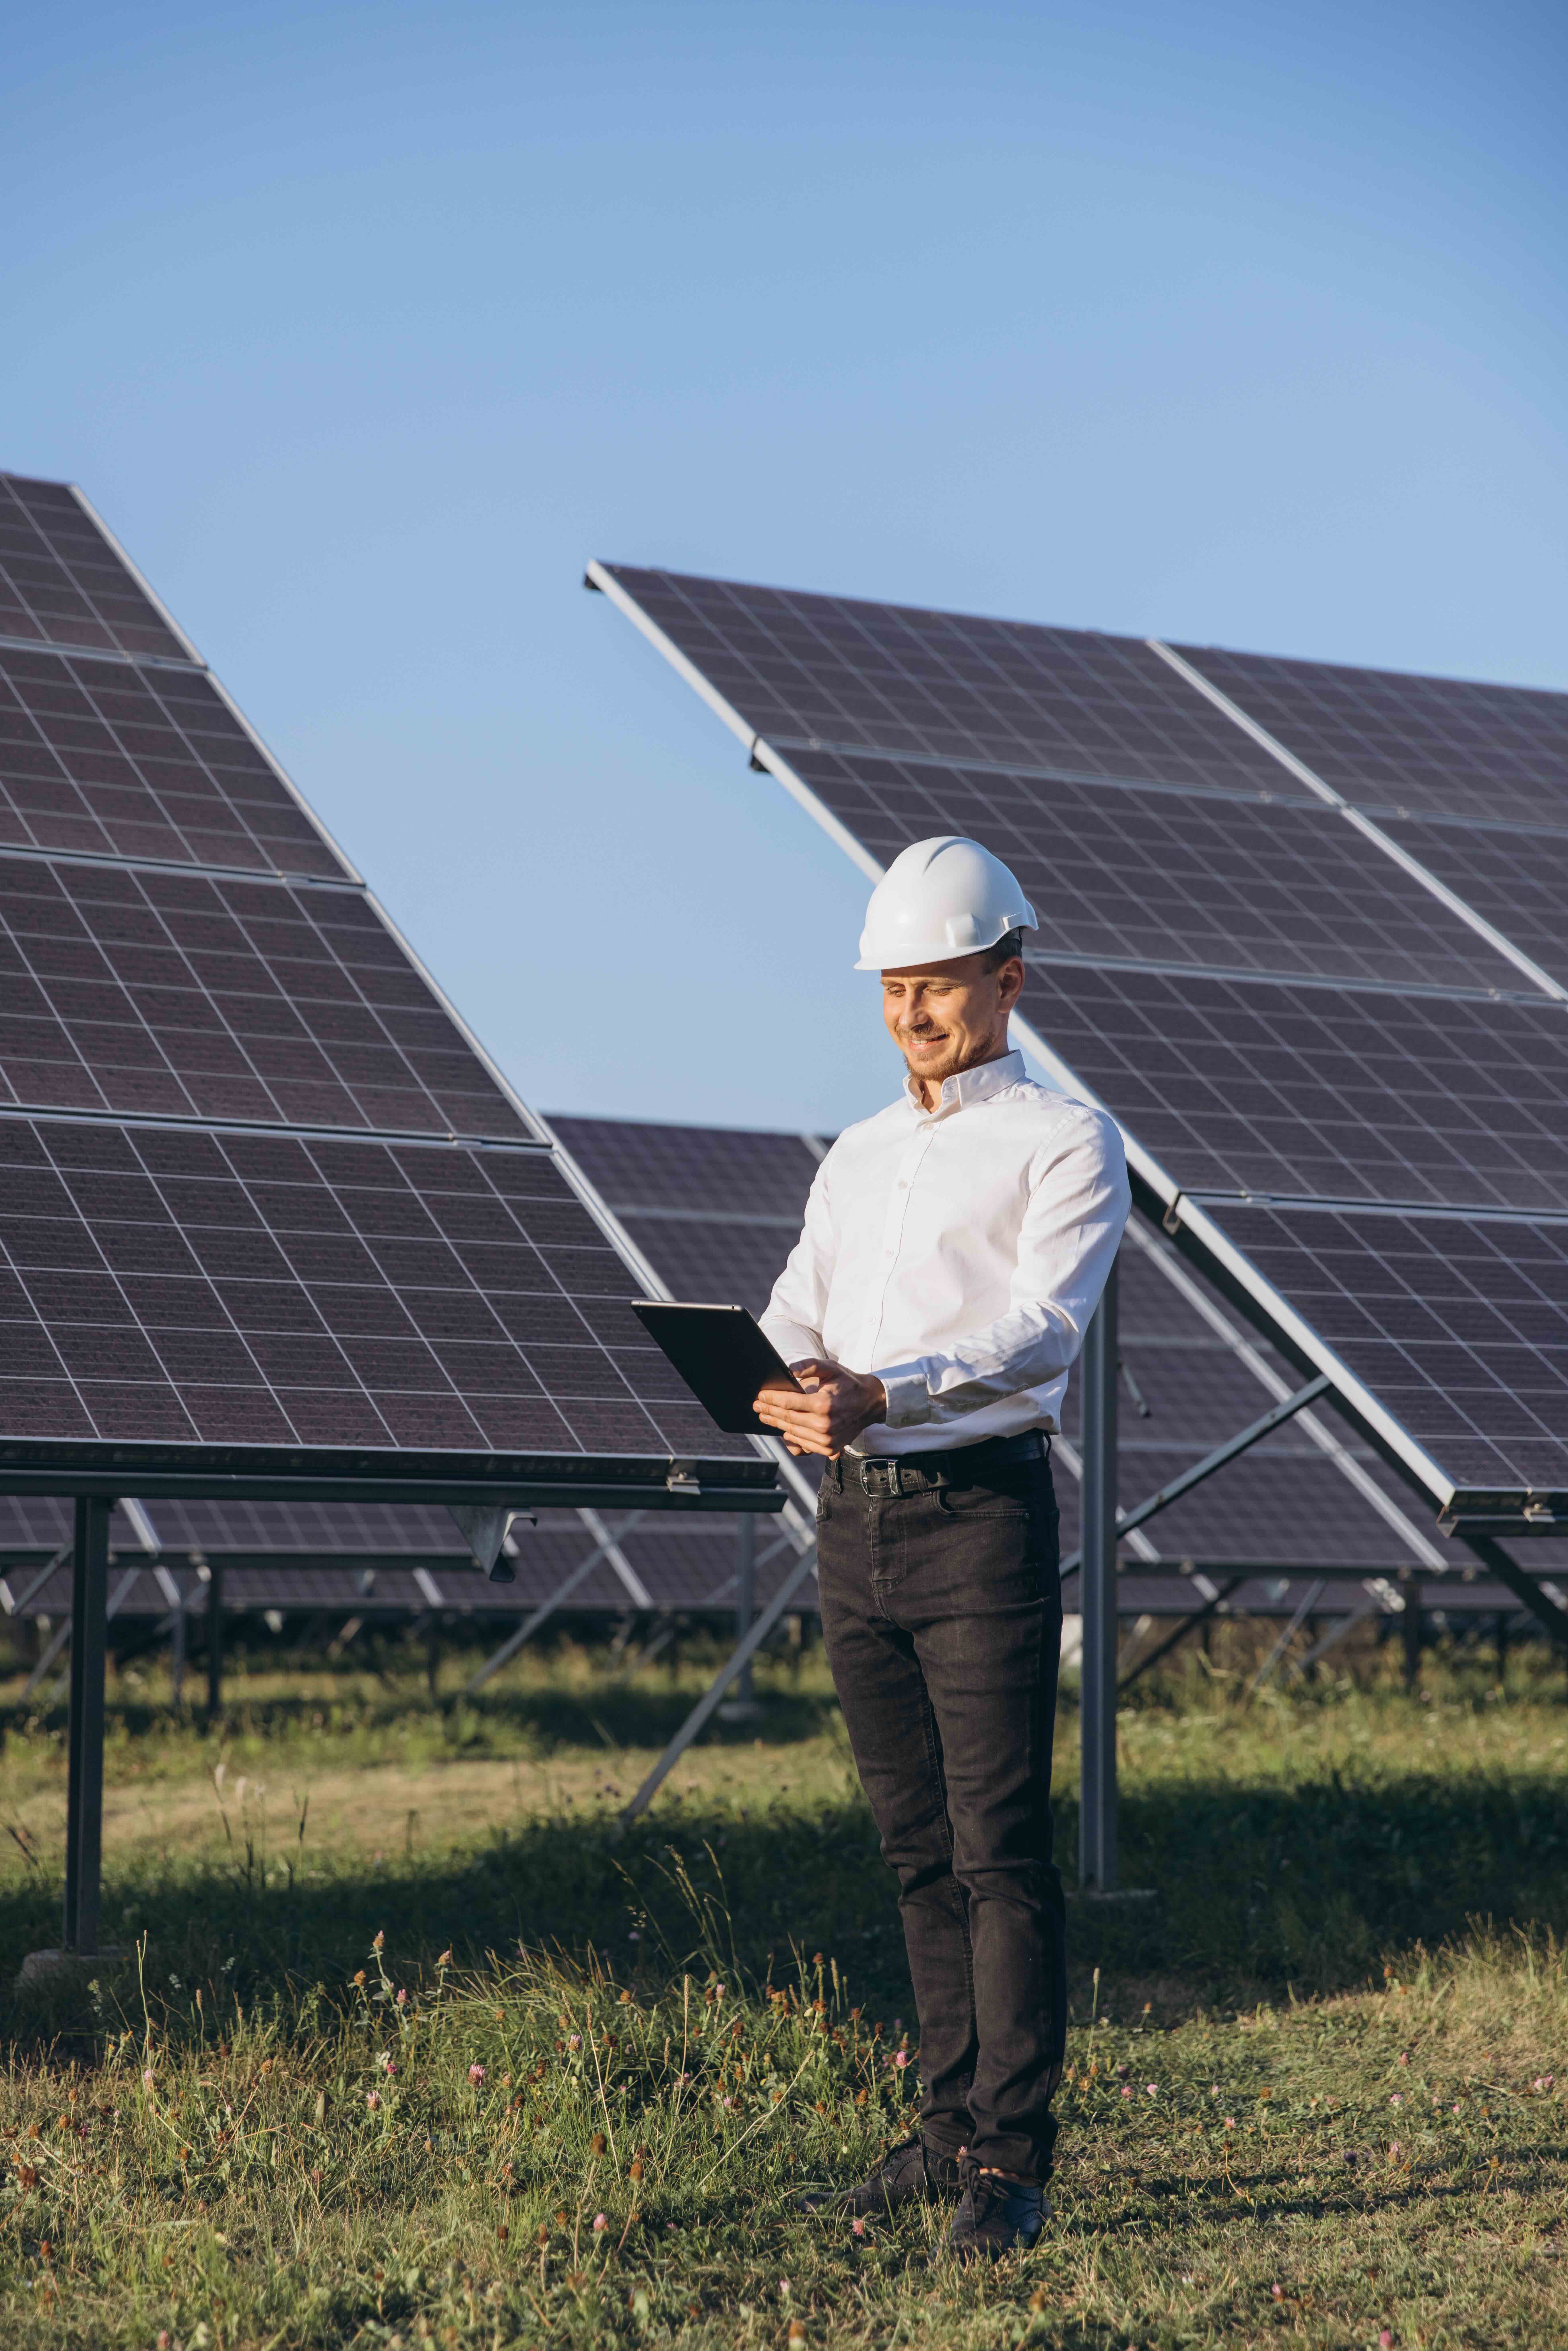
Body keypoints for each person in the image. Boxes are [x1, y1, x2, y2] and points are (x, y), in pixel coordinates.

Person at [753, 835, 1129, 2262]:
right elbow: (800, 1303)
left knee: (998, 1850)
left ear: (1008, 979)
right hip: (856, 1525)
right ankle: (942, 2125)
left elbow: (1043, 1325)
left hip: (977, 1515)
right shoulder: (854, 1154)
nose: (916, 1012)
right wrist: (782, 1377)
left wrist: (885, 1389)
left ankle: (1010, 2163)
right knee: (916, 1851)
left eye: (943, 985)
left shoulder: (1063, 1138)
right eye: (896, 988)